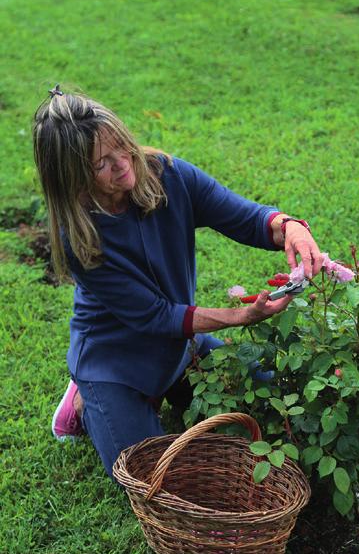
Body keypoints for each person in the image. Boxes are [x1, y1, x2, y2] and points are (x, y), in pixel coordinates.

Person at [33, 86, 323, 479]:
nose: (123, 163)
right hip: (116, 362)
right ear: (74, 179)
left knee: (273, 402)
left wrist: (289, 228)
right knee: (158, 480)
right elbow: (156, 316)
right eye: (102, 163)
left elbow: (244, 218)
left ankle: (164, 385)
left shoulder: (168, 174)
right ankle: (89, 396)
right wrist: (240, 316)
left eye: (122, 144)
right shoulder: (78, 236)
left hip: (182, 348)